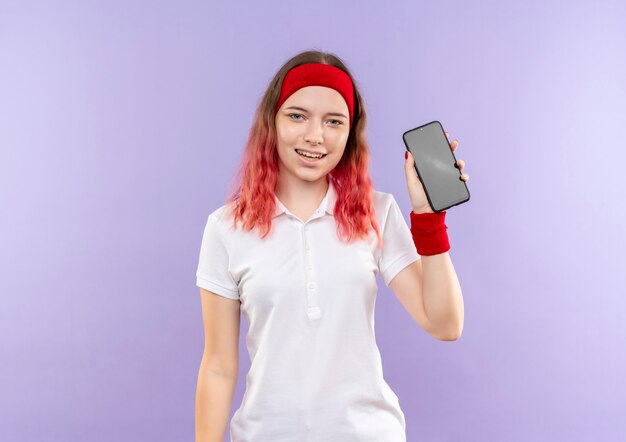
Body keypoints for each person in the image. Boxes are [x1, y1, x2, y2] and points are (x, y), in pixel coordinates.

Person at [195, 50, 467, 442]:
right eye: (297, 115)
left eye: (333, 121)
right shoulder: (226, 228)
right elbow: (219, 366)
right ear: (271, 122)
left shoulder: (377, 212)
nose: (315, 136)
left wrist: (428, 218)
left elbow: (445, 324)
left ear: (349, 133)